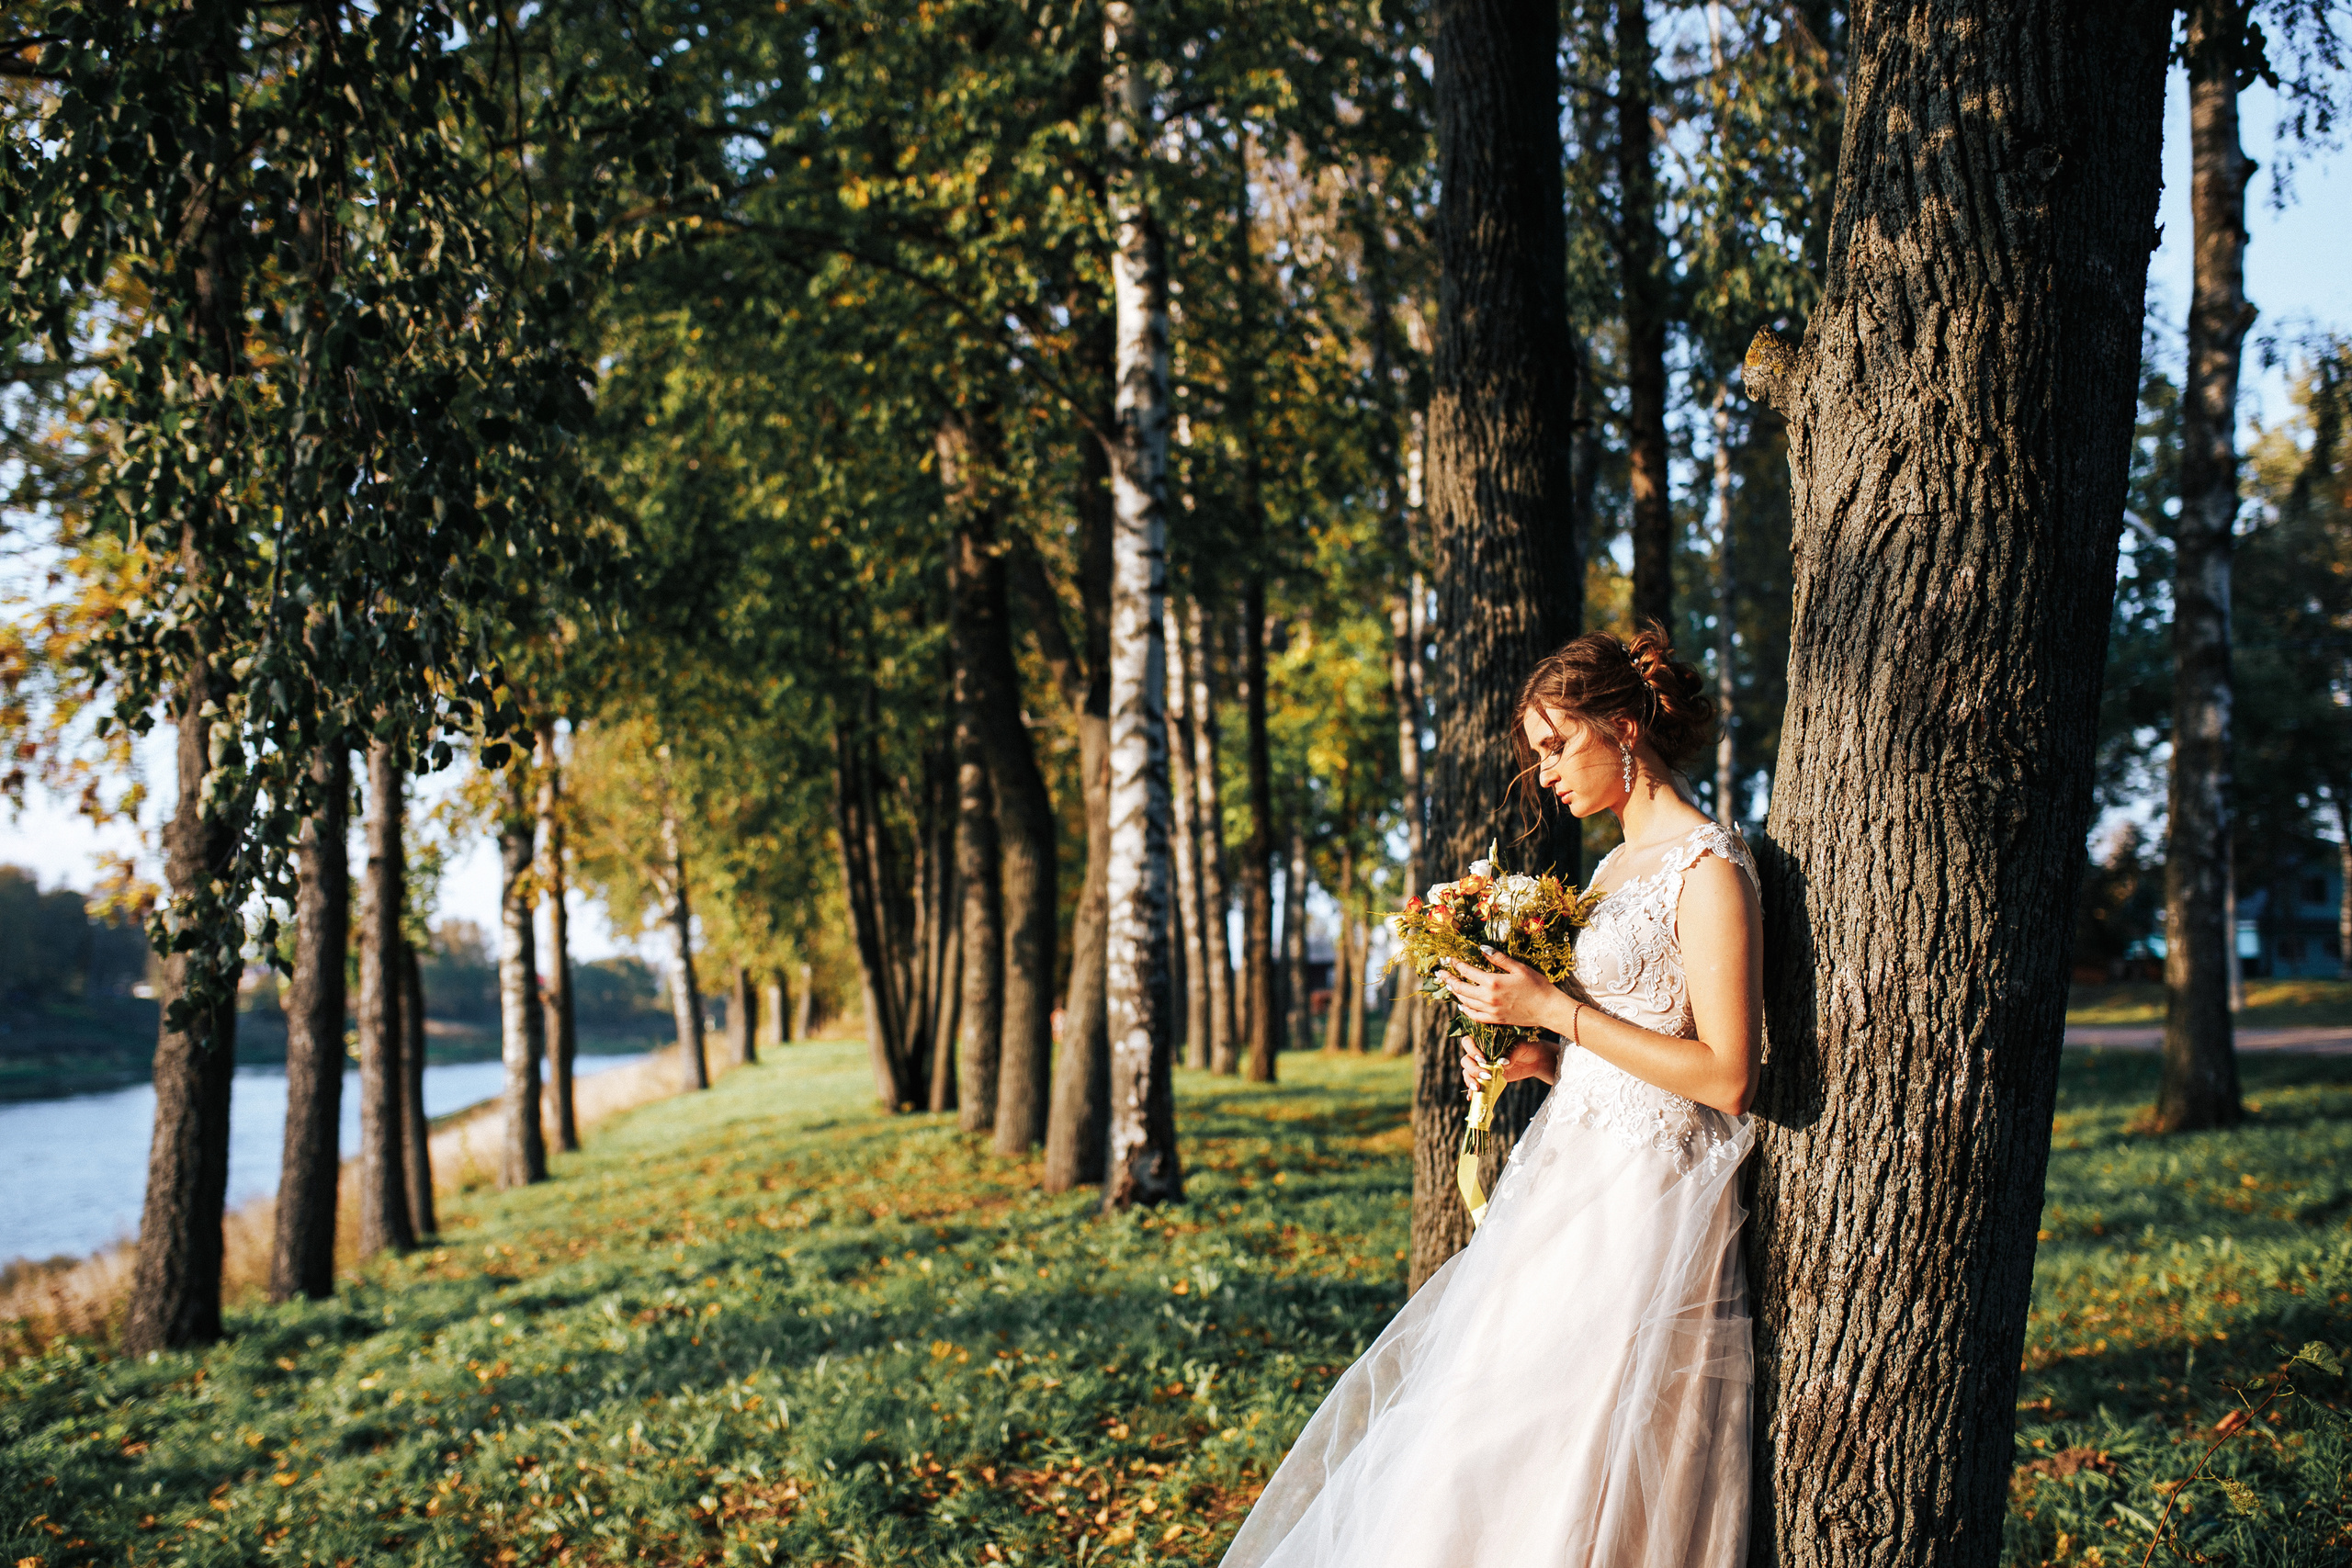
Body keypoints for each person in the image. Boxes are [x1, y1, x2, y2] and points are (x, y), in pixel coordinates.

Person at [1218, 626, 1763, 1568]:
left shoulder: (1707, 868)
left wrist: (1552, 1008)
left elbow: (1726, 1074)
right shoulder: (1610, 870)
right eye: (1535, 754)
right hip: (1568, 1185)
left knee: (1578, 1443)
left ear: (1623, 726)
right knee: (1487, 1435)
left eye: (1555, 745)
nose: (1544, 772)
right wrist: (1542, 1063)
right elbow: (1638, 1043)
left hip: (1645, 1213)